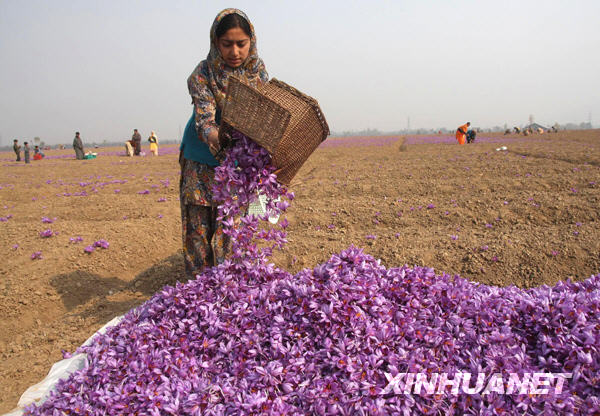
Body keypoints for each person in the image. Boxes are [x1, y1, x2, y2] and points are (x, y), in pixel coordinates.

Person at [179, 8, 268, 278]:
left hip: (237, 162)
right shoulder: (203, 74)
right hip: (201, 157)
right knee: (199, 227)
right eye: (226, 44)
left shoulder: (257, 70)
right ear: (215, 43)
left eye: (241, 44)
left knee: (231, 225)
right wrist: (219, 138)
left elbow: (264, 111)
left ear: (251, 42)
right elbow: (205, 121)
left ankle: (229, 284)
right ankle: (200, 287)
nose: (235, 52)